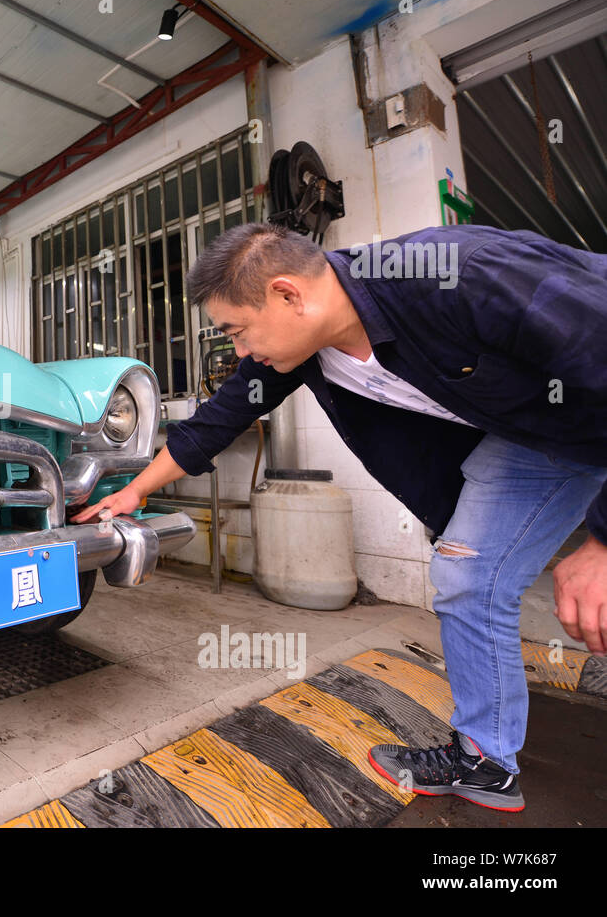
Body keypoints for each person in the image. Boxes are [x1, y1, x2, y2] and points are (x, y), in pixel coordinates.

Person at [70, 221, 607, 812]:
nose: (242, 351)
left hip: (588, 414)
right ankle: (486, 762)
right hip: (533, 442)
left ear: (288, 294)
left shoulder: (460, 272)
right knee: (467, 578)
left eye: (238, 331)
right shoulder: (302, 350)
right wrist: (135, 492)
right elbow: (218, 420)